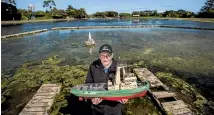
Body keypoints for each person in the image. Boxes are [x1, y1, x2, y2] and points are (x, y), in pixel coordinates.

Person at [85, 44, 128, 115]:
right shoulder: (93, 66)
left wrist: (125, 97)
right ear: (99, 56)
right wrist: (92, 99)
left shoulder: (119, 67)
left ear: (112, 55)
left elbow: (126, 85)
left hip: (115, 108)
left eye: (108, 55)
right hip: (98, 108)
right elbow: (88, 84)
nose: (105, 58)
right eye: (102, 55)